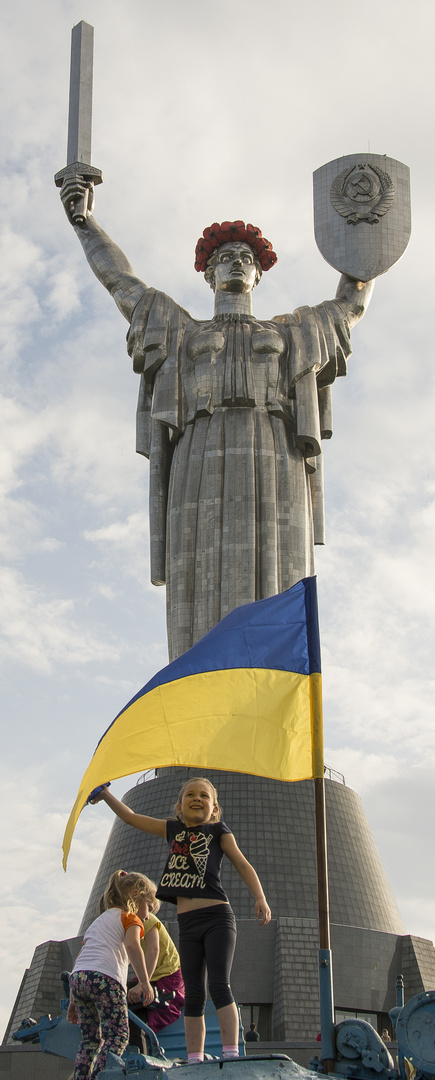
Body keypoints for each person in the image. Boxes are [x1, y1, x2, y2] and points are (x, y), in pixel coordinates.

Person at [59, 182, 373, 661]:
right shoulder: (180, 330)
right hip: (200, 452)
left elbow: (351, 301)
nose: (237, 262)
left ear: (259, 275)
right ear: (208, 273)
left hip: (273, 449)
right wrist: (85, 224)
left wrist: (365, 232)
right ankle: (201, 674)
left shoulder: (291, 332)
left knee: (278, 566)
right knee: (199, 569)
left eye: (246, 257)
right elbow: (121, 283)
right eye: (225, 257)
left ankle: (271, 673)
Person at [90, 776, 271, 1062]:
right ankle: (195, 1057)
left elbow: (242, 863)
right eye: (190, 795)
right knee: (194, 993)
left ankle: (231, 1052)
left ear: (214, 808)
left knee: (219, 985)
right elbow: (132, 817)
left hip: (217, 917)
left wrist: (260, 897)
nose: (197, 799)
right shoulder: (172, 829)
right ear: (179, 805)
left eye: (204, 796)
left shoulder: (218, 831)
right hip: (187, 924)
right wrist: (106, 794)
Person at [67, 870, 154, 1079]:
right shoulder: (130, 917)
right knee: (118, 1035)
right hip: (106, 979)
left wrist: (72, 1002)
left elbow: (80, 960)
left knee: (90, 1040)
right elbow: (133, 946)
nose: (148, 915)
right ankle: (101, 1076)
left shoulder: (97, 922)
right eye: (149, 907)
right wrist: (145, 982)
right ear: (136, 895)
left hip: (79, 980)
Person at [123, 877, 185, 1046]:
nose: (148, 913)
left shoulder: (149, 920)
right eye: (148, 907)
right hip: (151, 978)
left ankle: (139, 1051)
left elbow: (153, 950)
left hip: (167, 980)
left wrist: (143, 984)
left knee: (137, 1019)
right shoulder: (129, 922)